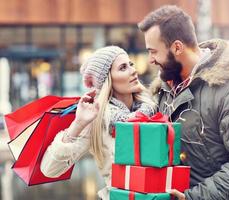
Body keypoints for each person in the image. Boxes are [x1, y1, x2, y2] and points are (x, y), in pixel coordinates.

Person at [138, 5, 229, 200]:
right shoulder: (166, 87)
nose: (150, 60)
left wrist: (195, 197)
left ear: (177, 47)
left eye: (154, 51)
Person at [40, 46, 156, 200]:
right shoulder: (98, 119)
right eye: (123, 68)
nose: (133, 71)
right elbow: (49, 169)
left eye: (130, 64)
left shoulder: (153, 107)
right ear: (108, 80)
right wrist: (78, 124)